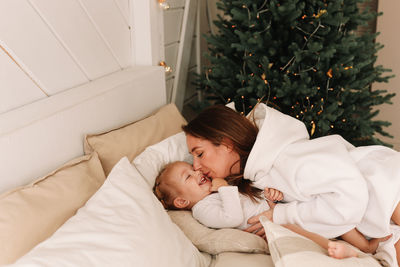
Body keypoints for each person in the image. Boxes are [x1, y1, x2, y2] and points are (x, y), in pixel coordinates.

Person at [182, 103, 400, 263]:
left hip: (384, 184)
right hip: (376, 210)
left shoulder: (285, 159)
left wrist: (280, 215)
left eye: (200, 154)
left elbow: (349, 198)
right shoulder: (255, 174)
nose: (196, 166)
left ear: (227, 144)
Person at [153, 160, 370, 259]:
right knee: (302, 229)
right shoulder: (202, 209)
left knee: (324, 212)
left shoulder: (213, 193)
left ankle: (365, 245)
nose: (197, 171)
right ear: (182, 202)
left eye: (192, 168)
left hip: (275, 210)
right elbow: (233, 217)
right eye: (188, 176)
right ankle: (338, 248)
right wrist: (226, 189)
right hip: (271, 225)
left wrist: (270, 196)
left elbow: (249, 200)